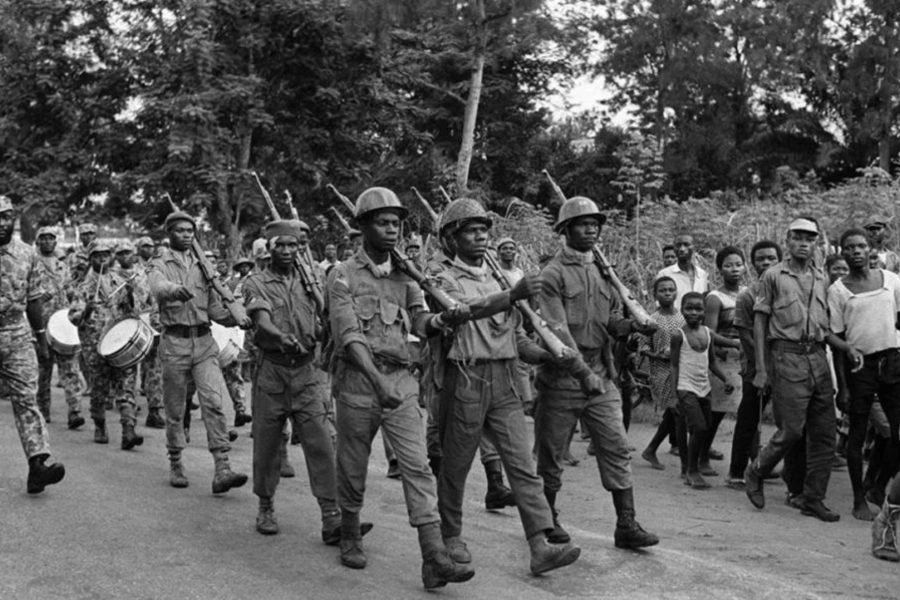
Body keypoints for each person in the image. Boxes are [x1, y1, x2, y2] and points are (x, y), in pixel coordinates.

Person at [326, 187, 474, 589]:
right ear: (362, 227)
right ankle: (351, 533)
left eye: (396, 223)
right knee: (353, 464)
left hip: (402, 381)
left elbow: (419, 320)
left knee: (418, 466)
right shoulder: (341, 275)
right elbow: (348, 337)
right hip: (359, 383)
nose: (391, 230)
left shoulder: (406, 275)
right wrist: (376, 382)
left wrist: (442, 322)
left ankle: (433, 557)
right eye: (382, 222)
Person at [436, 198, 582, 576]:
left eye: (484, 229)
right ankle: (450, 535)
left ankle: (539, 545)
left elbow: (516, 337)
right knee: (456, 465)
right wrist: (511, 296)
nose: (481, 236)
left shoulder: (498, 276)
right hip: (464, 376)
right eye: (471, 230)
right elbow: (461, 310)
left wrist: (550, 355)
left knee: (522, 465)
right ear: (451, 238)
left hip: (504, 379)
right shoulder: (440, 275)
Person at [536, 196, 658, 551]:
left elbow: (608, 323)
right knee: (552, 454)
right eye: (582, 223)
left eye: (595, 223)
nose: (591, 229)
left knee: (617, 447)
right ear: (565, 230)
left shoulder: (604, 272)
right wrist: (581, 372)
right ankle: (547, 521)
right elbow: (556, 330)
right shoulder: (552, 275)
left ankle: (626, 524)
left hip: (601, 373)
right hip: (562, 377)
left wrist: (634, 326)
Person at [242, 220, 354, 542]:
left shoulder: (313, 281)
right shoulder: (256, 282)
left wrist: (328, 328)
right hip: (272, 372)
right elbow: (261, 322)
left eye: (293, 245)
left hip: (306, 373)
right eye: (281, 245)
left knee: (320, 443)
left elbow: (324, 322)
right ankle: (265, 506)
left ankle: (331, 516)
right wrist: (281, 337)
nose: (288, 251)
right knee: (266, 446)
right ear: (269, 248)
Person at [744, 217, 862, 522]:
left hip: (818, 358)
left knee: (823, 434)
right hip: (786, 357)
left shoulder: (823, 278)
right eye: (797, 237)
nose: (803, 243)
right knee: (792, 430)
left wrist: (846, 349)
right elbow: (759, 321)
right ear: (787, 240)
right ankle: (756, 470)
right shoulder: (772, 276)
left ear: (816, 243)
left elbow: (830, 326)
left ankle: (813, 498)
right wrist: (761, 367)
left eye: (809, 239)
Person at [147, 210, 251, 494]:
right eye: (180, 230)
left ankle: (222, 466)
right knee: (176, 408)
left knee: (214, 403)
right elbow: (156, 286)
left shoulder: (204, 266)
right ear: (169, 233)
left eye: (190, 230)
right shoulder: (159, 262)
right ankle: (176, 460)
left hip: (204, 342)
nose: (186, 234)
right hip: (175, 343)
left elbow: (215, 309)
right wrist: (173, 289)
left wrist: (237, 317)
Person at [828, 229, 900, 521]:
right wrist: (842, 387)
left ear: (870, 249)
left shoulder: (891, 280)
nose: (856, 251)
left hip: (893, 361)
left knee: (897, 433)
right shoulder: (838, 290)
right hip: (859, 367)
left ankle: (878, 485)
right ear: (842, 252)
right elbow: (835, 339)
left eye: (861, 246)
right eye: (849, 248)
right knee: (857, 435)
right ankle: (859, 499)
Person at [0, 196, 66, 494]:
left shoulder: (27, 255)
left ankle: (38, 465)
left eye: (7, 216)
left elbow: (33, 299)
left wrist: (41, 337)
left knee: (27, 399)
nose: (3, 222)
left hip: (16, 334)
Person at [69, 239, 145, 450]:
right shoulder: (83, 287)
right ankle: (100, 424)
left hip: (119, 341)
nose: (102, 258)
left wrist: (130, 294)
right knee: (100, 386)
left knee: (126, 382)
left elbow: (134, 311)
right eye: (97, 255)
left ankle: (128, 429)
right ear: (91, 258)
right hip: (94, 344)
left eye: (105, 255)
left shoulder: (118, 281)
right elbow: (73, 317)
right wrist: (87, 310)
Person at [725, 240, 782, 488]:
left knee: (787, 421)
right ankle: (736, 472)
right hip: (755, 368)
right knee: (749, 418)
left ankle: (762, 465)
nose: (766, 263)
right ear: (753, 263)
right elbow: (745, 334)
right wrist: (762, 364)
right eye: (761, 259)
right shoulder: (747, 295)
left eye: (771, 258)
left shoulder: (786, 290)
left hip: (785, 364)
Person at [671, 292, 731, 489]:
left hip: (704, 388)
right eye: (689, 308)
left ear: (704, 311)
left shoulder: (707, 333)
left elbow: (711, 361)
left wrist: (725, 379)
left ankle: (688, 466)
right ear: (682, 310)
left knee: (704, 428)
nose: (694, 313)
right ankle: (691, 470)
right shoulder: (678, 335)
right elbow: (674, 366)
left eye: (698, 309)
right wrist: (674, 394)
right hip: (685, 387)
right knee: (699, 427)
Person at [699, 247, 746, 477]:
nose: (734, 269)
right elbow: (709, 333)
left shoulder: (748, 293)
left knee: (748, 411)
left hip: (746, 358)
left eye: (738, 264)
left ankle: (755, 460)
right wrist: (730, 345)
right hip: (723, 359)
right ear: (719, 270)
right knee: (716, 412)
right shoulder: (715, 298)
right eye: (728, 265)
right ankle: (701, 456)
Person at [34, 226, 84, 429]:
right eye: (43, 238)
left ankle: (75, 411)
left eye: (51, 238)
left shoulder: (63, 266)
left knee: (70, 370)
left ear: (56, 242)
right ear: (37, 242)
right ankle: (42, 411)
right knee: (42, 371)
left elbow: (73, 292)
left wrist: (77, 308)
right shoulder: (32, 264)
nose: (47, 242)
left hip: (63, 325)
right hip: (41, 326)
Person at [639, 276, 684, 469]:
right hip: (662, 371)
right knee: (674, 411)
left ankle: (652, 449)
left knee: (674, 412)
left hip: (681, 370)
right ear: (656, 294)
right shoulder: (652, 320)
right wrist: (658, 355)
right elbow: (643, 347)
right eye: (663, 290)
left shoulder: (682, 316)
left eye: (671, 290)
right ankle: (653, 449)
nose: (667, 293)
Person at [656, 233, 709, 309]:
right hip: (674, 319)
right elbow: (659, 304)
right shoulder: (664, 274)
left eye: (686, 245)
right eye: (678, 245)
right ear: (674, 249)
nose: (682, 249)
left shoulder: (702, 274)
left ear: (694, 247)